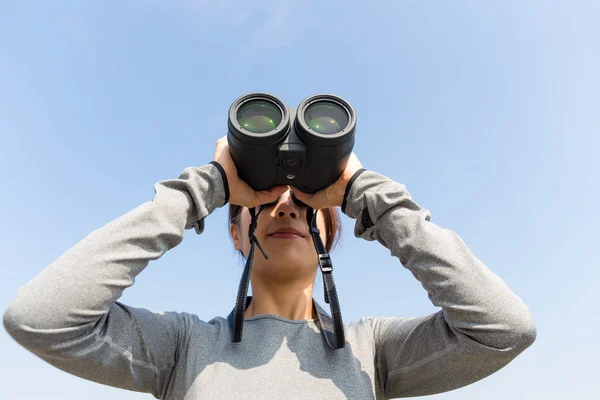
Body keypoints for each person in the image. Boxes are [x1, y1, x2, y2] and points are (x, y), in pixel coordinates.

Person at [3, 136, 536, 399]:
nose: (285, 207)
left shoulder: (375, 351)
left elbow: (502, 330)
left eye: (307, 204)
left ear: (333, 229)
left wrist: (367, 193)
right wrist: (204, 188)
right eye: (262, 202)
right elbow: (41, 318)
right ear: (234, 231)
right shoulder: (182, 347)